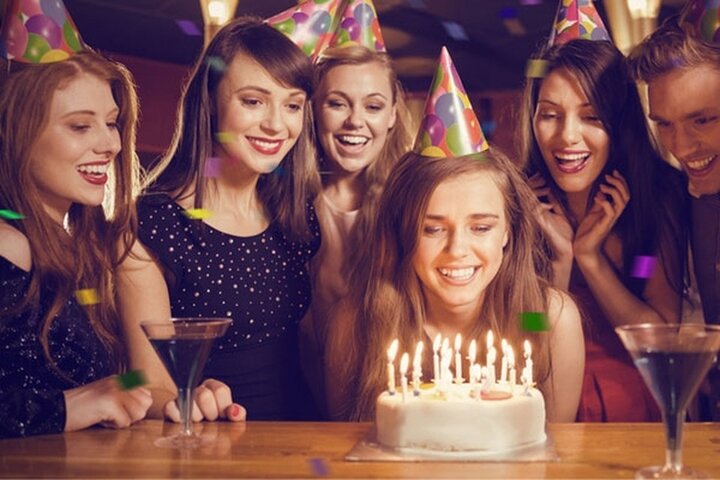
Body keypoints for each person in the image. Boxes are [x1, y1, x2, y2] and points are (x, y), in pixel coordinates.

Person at [117, 16, 322, 421]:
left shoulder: (297, 215)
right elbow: (142, 384)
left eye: (292, 105)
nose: (276, 124)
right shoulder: (151, 226)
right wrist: (186, 399)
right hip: (211, 446)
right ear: (210, 101)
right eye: (253, 101)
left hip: (304, 440)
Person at [324, 148, 584, 421]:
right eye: (433, 229)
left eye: (481, 228)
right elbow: (342, 450)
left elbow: (557, 452)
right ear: (401, 233)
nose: (457, 249)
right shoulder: (357, 325)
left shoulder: (544, 320)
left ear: (508, 231)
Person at [518, 39, 688, 421]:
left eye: (591, 117)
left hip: (634, 407)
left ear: (619, 124)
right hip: (546, 400)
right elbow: (524, 327)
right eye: (550, 115)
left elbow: (658, 338)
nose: (567, 137)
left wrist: (590, 259)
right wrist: (560, 261)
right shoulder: (520, 205)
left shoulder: (651, 206)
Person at [0, 50, 151, 438]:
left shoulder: (77, 249)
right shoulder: (7, 243)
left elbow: (104, 380)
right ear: (17, 132)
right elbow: (78, 395)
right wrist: (67, 408)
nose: (111, 145)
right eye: (81, 126)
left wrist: (179, 395)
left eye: (112, 123)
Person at [298, 44, 414, 411]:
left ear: (393, 115)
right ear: (313, 110)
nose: (355, 121)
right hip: (294, 401)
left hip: (388, 401)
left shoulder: (412, 205)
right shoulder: (282, 202)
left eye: (373, 106)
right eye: (338, 103)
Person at [628, 11, 720, 420]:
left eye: (703, 120)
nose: (681, 147)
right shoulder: (675, 199)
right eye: (664, 125)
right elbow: (649, 273)